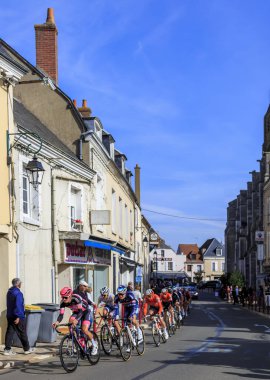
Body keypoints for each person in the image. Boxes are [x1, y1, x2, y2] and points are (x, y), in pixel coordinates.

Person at [52, 287, 98, 355]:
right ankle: (76, 341)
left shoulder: (76, 298)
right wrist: (57, 322)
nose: (64, 299)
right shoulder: (63, 303)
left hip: (85, 312)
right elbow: (61, 315)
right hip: (77, 312)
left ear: (70, 295)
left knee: (84, 329)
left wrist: (76, 320)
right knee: (70, 321)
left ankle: (94, 344)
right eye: (62, 297)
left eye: (65, 297)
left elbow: (81, 311)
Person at [4, 278, 34, 355]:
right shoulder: (18, 293)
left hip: (10, 315)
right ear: (18, 284)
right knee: (22, 332)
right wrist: (18, 316)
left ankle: (7, 350)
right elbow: (18, 305)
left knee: (10, 332)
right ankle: (27, 349)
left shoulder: (9, 292)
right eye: (20, 283)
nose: (21, 284)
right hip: (17, 316)